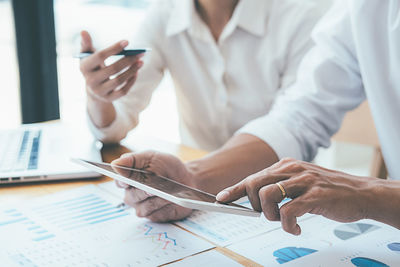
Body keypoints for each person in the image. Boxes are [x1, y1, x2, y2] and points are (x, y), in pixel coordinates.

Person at [112, 0, 400, 234]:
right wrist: (194, 179)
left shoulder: (300, 14)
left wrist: (372, 193)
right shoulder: (363, 9)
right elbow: (297, 119)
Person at [80, 0, 328, 151]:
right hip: (196, 185)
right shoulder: (165, 15)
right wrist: (100, 96)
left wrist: (198, 174)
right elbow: (116, 126)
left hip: (280, 187)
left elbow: (291, 133)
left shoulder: (299, 19)